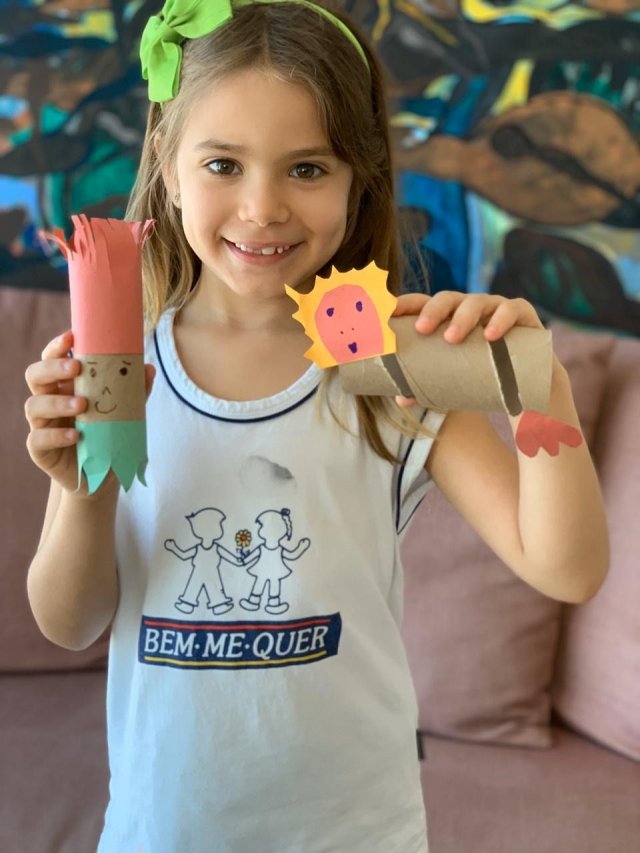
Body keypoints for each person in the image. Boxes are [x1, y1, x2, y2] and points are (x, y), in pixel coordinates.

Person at [23, 2, 609, 851]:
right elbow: (71, 621)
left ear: (357, 178)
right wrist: (80, 489)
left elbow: (567, 567)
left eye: (307, 168)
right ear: (168, 164)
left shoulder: (392, 368)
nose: (262, 208)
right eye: (223, 163)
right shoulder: (120, 369)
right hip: (159, 833)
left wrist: (539, 385)